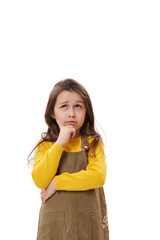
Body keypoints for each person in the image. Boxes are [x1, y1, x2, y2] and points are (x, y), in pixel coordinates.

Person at [28, 78, 109, 240]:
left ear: (86, 112)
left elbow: (98, 176)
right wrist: (59, 143)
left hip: (88, 223)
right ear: (53, 112)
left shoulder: (93, 143)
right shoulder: (45, 146)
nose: (71, 113)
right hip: (55, 225)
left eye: (78, 106)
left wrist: (57, 183)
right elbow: (40, 180)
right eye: (64, 106)